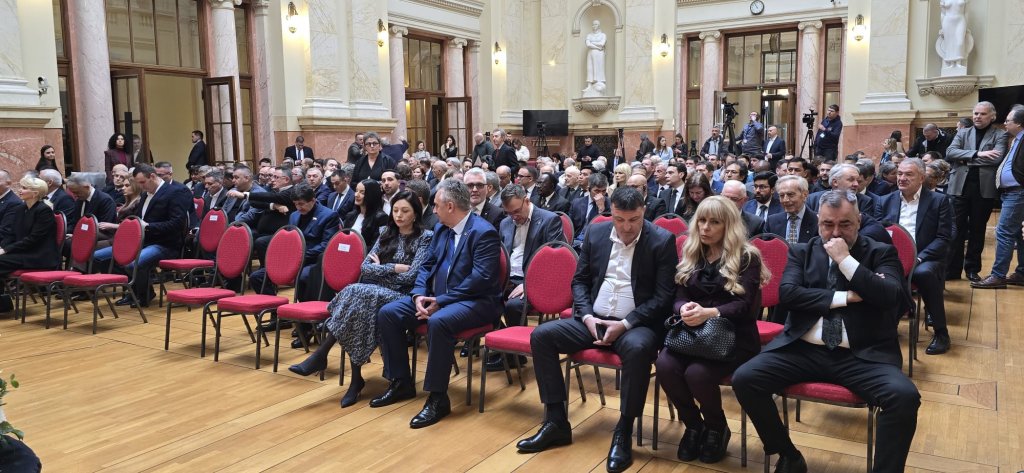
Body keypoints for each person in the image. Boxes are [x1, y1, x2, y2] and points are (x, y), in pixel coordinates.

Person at [732, 190, 919, 473]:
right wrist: (847, 297)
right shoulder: (802, 251)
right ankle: (788, 454)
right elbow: (789, 294)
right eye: (828, 224)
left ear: (859, 221)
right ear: (818, 221)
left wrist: (846, 261)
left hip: (862, 355)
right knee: (745, 378)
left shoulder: (880, 252)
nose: (836, 233)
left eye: (845, 224)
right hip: (804, 349)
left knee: (904, 397)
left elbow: (889, 295)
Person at [516, 187, 676, 473]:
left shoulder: (662, 240)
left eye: (634, 220)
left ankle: (623, 430)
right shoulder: (596, 232)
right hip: (592, 320)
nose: (626, 227)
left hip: (634, 324)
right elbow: (580, 281)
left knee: (639, 349)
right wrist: (588, 316)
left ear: (644, 212)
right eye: (619, 219)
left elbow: (663, 297)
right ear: (611, 212)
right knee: (542, 336)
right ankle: (556, 421)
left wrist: (625, 324)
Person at [370, 179, 502, 429]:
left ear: (450, 206)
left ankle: (438, 398)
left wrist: (441, 301)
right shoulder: (442, 229)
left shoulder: (484, 232)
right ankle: (401, 382)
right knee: (389, 312)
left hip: (475, 302)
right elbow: (426, 266)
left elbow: (481, 279)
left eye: (436, 205)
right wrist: (419, 295)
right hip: (435, 298)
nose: (432, 210)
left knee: (439, 322)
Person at [289, 190, 434, 406]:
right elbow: (365, 267)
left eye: (405, 211)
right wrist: (394, 268)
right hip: (374, 292)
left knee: (356, 293)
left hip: (403, 295)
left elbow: (412, 276)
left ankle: (326, 359)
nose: (399, 215)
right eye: (395, 210)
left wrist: (381, 268)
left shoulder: (425, 237)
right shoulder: (385, 232)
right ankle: (352, 378)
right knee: (357, 305)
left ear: (416, 214)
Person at [656, 195, 769, 464]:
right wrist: (683, 309)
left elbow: (744, 306)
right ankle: (694, 426)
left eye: (714, 222)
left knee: (697, 374)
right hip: (692, 334)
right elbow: (679, 296)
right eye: (702, 221)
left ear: (728, 226)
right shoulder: (692, 251)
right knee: (664, 365)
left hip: (733, 336)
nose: (705, 228)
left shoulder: (747, 257)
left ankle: (716, 428)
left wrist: (709, 313)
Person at [876, 158, 954, 356]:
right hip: (891, 258)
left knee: (923, 274)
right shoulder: (884, 201)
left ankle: (941, 332)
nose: (902, 178)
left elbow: (943, 238)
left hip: (925, 257)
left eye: (908, 174)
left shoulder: (939, 201)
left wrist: (918, 258)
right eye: (899, 173)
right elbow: (875, 234)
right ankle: (883, 327)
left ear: (921, 177)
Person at [485, 184, 567, 370]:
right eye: (508, 213)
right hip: (508, 279)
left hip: (535, 281)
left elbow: (555, 262)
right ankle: (505, 346)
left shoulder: (549, 220)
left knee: (513, 306)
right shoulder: (506, 223)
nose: (513, 217)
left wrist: (529, 283)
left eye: (516, 211)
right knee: (481, 301)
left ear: (527, 201)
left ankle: (515, 356)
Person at [94, 164, 193, 307]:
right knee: (99, 257)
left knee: (133, 264)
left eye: (142, 182)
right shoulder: (145, 194)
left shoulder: (175, 192)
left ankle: (143, 294)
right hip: (142, 242)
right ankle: (133, 289)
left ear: (152, 176)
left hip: (165, 244)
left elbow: (177, 224)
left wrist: (148, 227)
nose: (140, 186)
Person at [945, 101, 1007, 282]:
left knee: (977, 230)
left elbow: (996, 159)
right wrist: (977, 154)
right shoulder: (962, 132)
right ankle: (952, 269)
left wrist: (964, 159)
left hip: (983, 190)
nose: (978, 117)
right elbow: (950, 153)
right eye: (976, 113)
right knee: (956, 230)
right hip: (959, 188)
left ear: (992, 116)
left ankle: (972, 269)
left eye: (983, 114)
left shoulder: (1000, 134)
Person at [972, 105, 1024, 290]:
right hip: (1011, 193)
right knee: (1017, 234)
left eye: (1008, 120)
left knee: (1004, 232)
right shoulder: (1016, 139)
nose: (1005, 123)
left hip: (1018, 192)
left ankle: (998, 275)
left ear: (1019, 123)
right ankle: (1022, 273)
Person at [0, 177, 58, 312]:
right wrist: (2, 247)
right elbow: (11, 234)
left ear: (35, 193)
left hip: (39, 255)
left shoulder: (44, 211)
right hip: (24, 252)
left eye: (24, 188)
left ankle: (3, 304)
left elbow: (34, 239)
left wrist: (7, 250)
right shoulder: (21, 209)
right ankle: (3, 303)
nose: (20, 190)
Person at [765, 175, 818, 245]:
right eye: (781, 195)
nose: (785, 200)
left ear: (805, 195)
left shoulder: (818, 221)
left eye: (790, 195)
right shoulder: (772, 221)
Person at [568, 173, 609, 240]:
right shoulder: (576, 203)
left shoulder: (610, 204)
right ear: (588, 189)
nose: (601, 195)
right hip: (576, 239)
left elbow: (606, 229)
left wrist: (601, 209)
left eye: (603, 191)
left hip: (596, 240)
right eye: (597, 191)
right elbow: (569, 226)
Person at [584, 20, 607, 93]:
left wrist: (592, 43)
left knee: (599, 67)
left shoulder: (603, 35)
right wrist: (597, 47)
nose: (594, 26)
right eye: (593, 24)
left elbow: (602, 43)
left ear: (599, 26)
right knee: (590, 68)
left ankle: (599, 82)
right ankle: (589, 85)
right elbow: (588, 44)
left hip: (599, 54)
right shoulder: (589, 35)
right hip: (591, 52)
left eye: (596, 24)